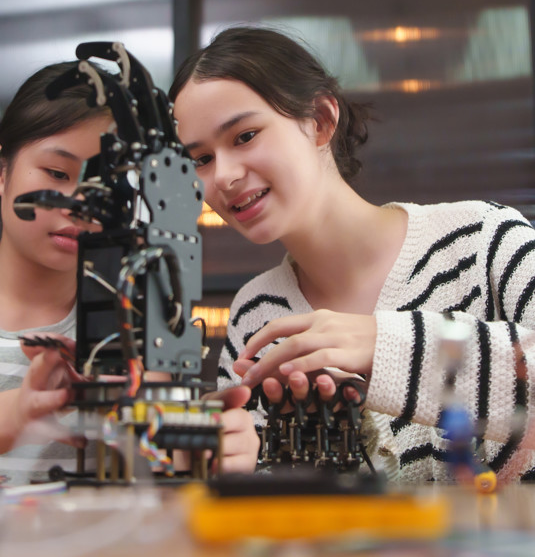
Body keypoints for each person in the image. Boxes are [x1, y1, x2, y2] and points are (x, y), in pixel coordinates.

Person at [0, 60, 258, 484]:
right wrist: (20, 410)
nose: (79, 204)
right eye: (57, 173)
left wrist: (209, 447)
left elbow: (149, 465)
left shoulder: (129, 315)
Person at [169, 25, 535, 484]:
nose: (222, 177)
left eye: (244, 136)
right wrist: (242, 468)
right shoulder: (254, 314)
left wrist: (385, 346)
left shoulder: (484, 241)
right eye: (200, 159)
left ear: (320, 119)